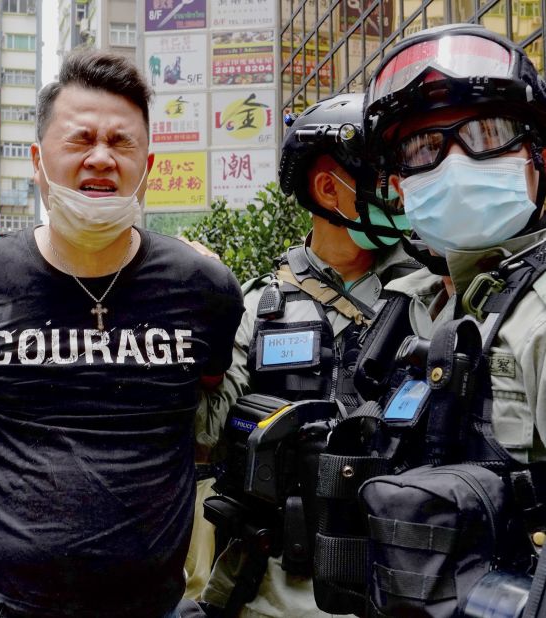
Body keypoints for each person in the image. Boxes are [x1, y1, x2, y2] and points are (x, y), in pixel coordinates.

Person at [0, 49, 243, 618]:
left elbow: (209, 384)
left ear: (149, 164)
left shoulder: (204, 287)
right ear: (38, 161)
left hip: (150, 604)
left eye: (122, 143)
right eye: (80, 140)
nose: (101, 159)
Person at [305, 23, 546, 616]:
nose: (452, 162)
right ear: (399, 187)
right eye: (422, 149)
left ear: (539, 156)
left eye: (487, 134)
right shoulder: (416, 305)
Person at [198, 93, 416, 618]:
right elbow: (204, 433)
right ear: (327, 188)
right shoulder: (257, 306)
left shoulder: (431, 292)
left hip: (405, 586)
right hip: (274, 593)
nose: (402, 189)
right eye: (385, 175)